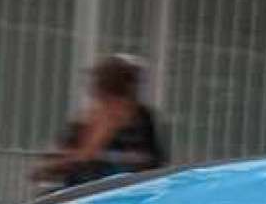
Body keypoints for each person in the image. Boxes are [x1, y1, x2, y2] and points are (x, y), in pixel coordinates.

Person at [35, 55, 168, 189]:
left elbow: (156, 164)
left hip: (112, 197)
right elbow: (46, 167)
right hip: (93, 196)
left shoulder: (142, 120)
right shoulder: (86, 120)